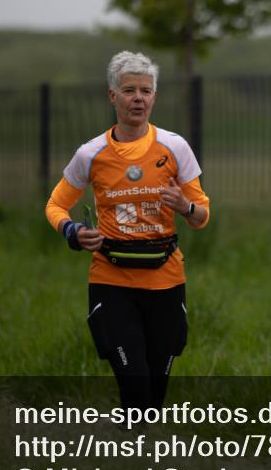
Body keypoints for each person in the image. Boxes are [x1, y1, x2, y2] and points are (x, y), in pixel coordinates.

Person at [46, 51, 210, 411]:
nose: (139, 98)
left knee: (155, 393)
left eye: (146, 91)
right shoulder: (91, 154)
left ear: (154, 97)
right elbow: (55, 205)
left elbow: (202, 216)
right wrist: (72, 231)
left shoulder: (174, 146)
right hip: (112, 279)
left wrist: (184, 206)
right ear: (113, 96)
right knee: (134, 383)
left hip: (166, 280)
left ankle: (137, 449)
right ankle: (132, 446)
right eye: (130, 90)